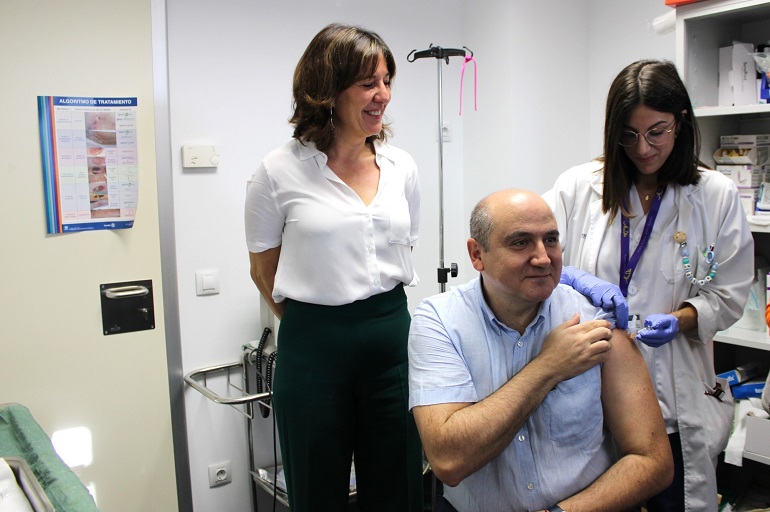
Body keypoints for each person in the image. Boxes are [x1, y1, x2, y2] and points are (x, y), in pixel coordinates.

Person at [545, 59, 755, 511]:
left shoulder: (713, 195)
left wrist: (681, 320)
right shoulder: (578, 186)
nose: (642, 148)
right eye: (628, 134)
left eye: (656, 131)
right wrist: (573, 276)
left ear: (680, 123)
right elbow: (538, 260)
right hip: (592, 388)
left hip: (673, 392)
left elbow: (729, 291)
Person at [244, 23, 423, 512]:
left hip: (392, 338)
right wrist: (316, 326)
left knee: (398, 484)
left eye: (387, 81)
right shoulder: (278, 171)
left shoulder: (401, 166)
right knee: (315, 487)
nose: (382, 95)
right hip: (313, 346)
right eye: (368, 83)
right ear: (326, 89)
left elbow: (406, 244)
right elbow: (264, 272)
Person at [408, 189, 673, 512]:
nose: (543, 258)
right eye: (520, 242)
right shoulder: (441, 321)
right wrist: (548, 366)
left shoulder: (596, 319)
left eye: (551, 240)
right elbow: (448, 460)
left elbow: (653, 460)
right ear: (477, 254)